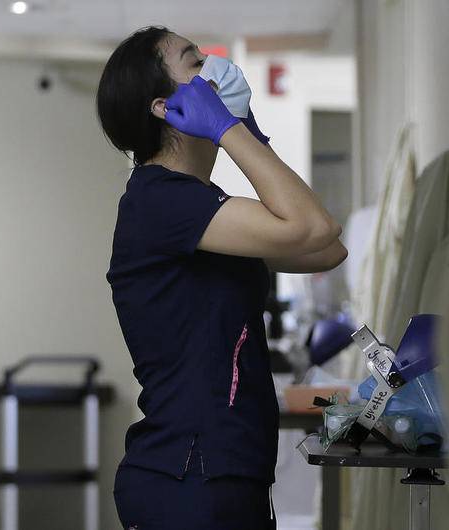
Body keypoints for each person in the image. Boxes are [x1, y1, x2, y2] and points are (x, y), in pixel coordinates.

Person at [98, 26, 347, 530]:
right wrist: (232, 132)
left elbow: (326, 249)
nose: (216, 70)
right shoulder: (160, 199)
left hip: (224, 472)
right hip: (188, 475)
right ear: (165, 107)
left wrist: (248, 132)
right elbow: (314, 226)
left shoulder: (200, 207)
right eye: (195, 63)